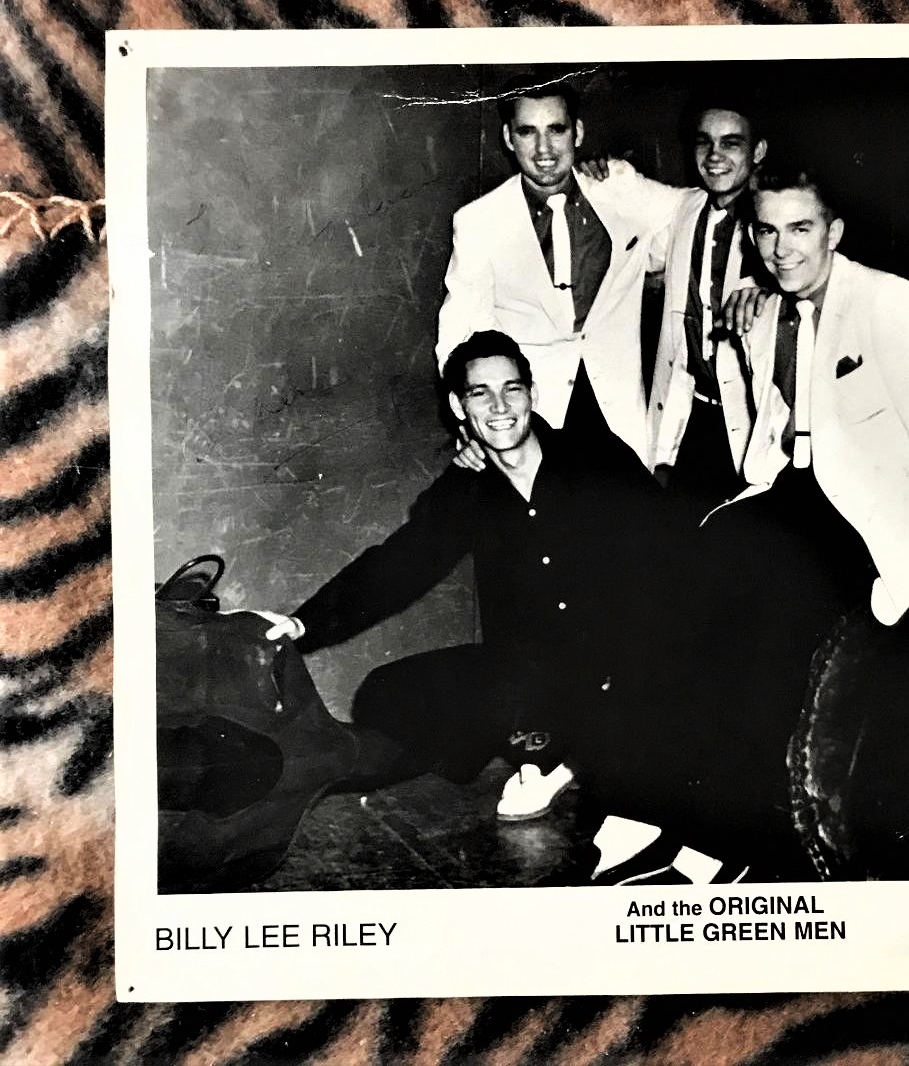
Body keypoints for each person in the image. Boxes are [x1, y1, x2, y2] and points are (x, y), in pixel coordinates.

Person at [258, 331, 687, 834]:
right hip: (537, 670)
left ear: (532, 395)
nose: (500, 407)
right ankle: (559, 750)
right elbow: (397, 565)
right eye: (481, 393)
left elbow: (670, 558)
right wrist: (303, 623)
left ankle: (571, 756)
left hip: (623, 660)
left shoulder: (595, 457)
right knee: (386, 692)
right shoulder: (467, 489)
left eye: (512, 389)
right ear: (459, 408)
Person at [689, 164, 909, 874]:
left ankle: (768, 838)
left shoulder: (886, 301)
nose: (782, 248)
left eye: (800, 229)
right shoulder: (768, 312)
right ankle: (706, 817)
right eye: (767, 231)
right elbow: (769, 425)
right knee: (701, 571)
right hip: (794, 495)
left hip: (866, 523)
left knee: (780, 625)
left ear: (834, 232)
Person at [435, 81, 685, 464]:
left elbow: (691, 212)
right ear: (508, 138)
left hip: (619, 413)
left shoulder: (617, 187)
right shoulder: (479, 221)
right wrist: (472, 425)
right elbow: (459, 331)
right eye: (527, 132)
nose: (544, 149)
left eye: (556, 129)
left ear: (577, 132)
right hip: (532, 420)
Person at [647, 98, 770, 510]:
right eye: (704, 142)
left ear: (758, 151)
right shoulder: (685, 209)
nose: (714, 156)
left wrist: (767, 289)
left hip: (755, 423)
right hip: (694, 414)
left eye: (731, 143)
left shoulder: (775, 219)